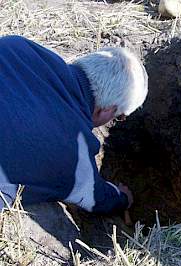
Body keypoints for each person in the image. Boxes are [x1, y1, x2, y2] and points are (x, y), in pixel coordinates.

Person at [0, 35, 148, 214]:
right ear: (107, 111)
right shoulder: (72, 155)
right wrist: (122, 198)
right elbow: (98, 198)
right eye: (119, 116)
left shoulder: (15, 46)